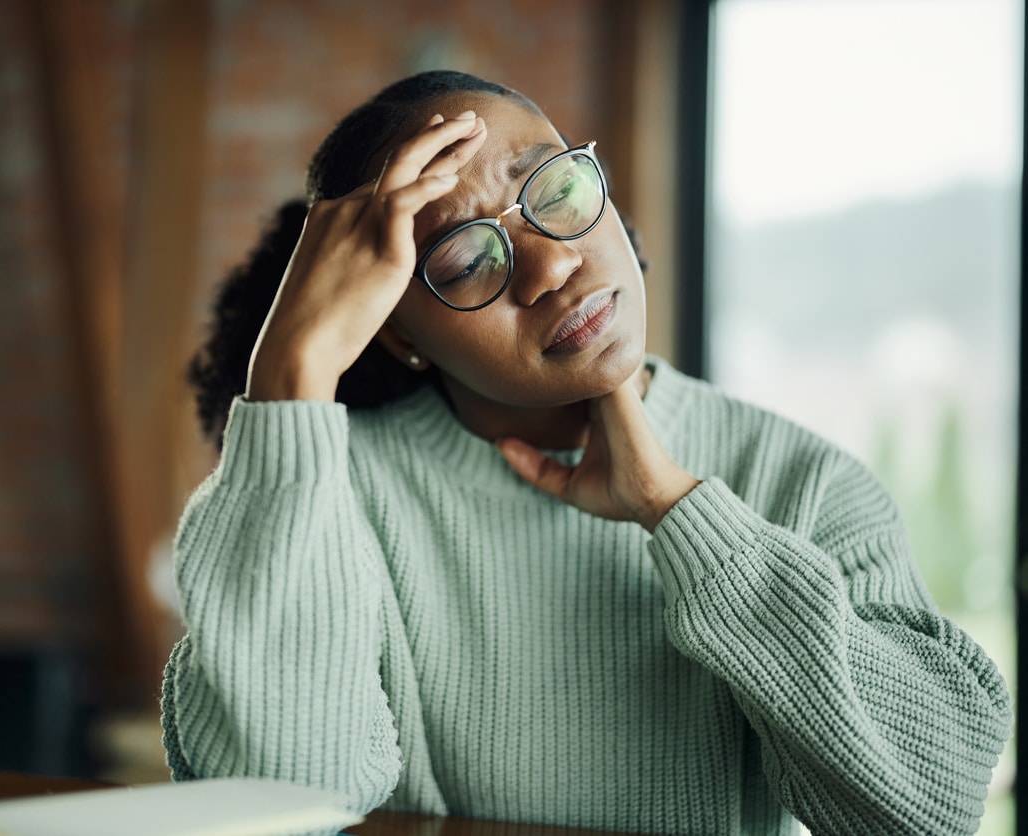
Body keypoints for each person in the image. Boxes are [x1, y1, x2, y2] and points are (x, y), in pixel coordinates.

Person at [160, 70, 1012, 835]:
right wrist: (290, 373)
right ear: (398, 334)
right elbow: (277, 803)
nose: (552, 263)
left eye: (554, 188)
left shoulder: (801, 480)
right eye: (461, 259)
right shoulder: (315, 498)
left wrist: (682, 514)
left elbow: (925, 810)